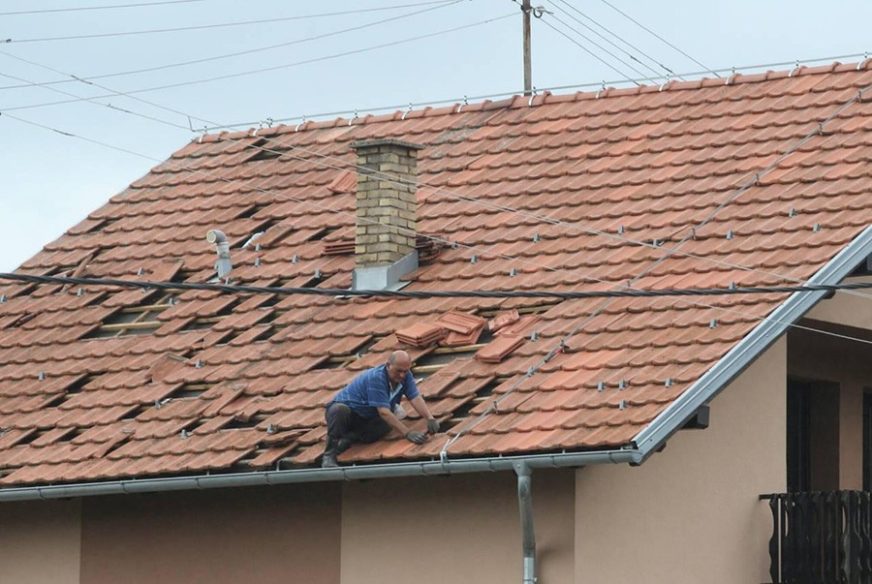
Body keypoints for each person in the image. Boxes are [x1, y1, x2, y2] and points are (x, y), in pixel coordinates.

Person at [321, 350, 439, 468]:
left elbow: (415, 397)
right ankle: (329, 455)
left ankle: (349, 439)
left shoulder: (406, 377)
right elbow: (383, 412)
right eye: (398, 371)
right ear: (388, 365)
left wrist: (430, 418)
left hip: (367, 418)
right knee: (340, 410)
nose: (402, 375)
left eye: (405, 371)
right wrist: (407, 433)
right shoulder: (377, 378)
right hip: (349, 416)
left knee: (387, 424)